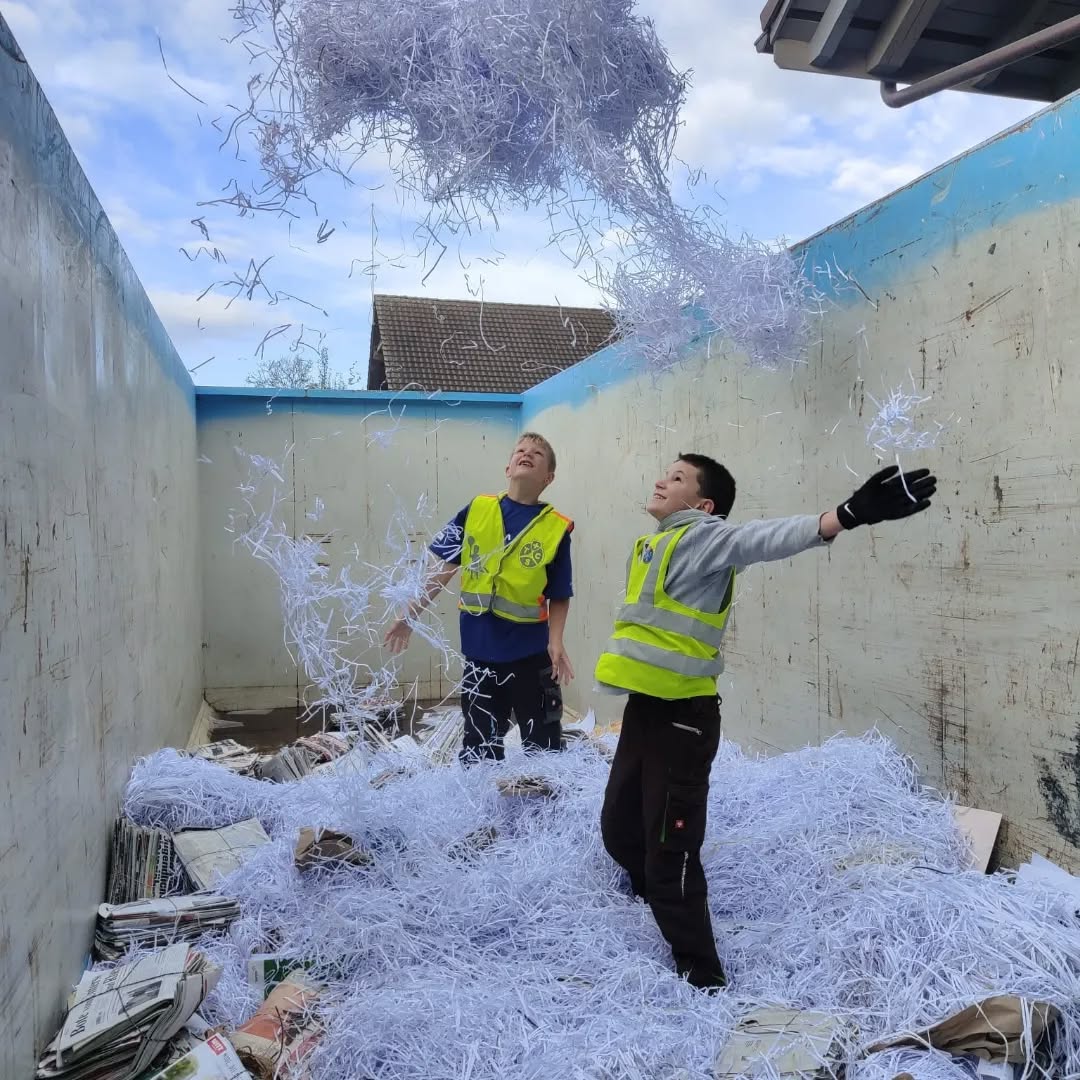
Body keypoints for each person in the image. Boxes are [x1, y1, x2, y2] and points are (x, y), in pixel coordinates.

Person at [595, 454, 936, 992]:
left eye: (677, 478)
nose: (661, 480)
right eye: (666, 472)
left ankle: (702, 974)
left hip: (684, 722)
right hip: (646, 710)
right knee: (618, 828)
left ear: (704, 505)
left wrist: (846, 514)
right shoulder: (655, 543)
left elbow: (764, 539)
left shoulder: (706, 537)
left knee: (671, 854)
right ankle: (650, 892)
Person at [384, 432, 575, 761]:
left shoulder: (556, 528)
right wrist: (410, 614)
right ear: (508, 467)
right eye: (520, 450)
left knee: (544, 747)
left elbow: (559, 593)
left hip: (529, 656)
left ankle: (542, 804)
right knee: (479, 748)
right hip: (480, 656)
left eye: (537, 454)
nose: (526, 454)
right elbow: (444, 570)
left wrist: (556, 641)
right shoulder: (477, 509)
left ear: (549, 477)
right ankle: (486, 808)